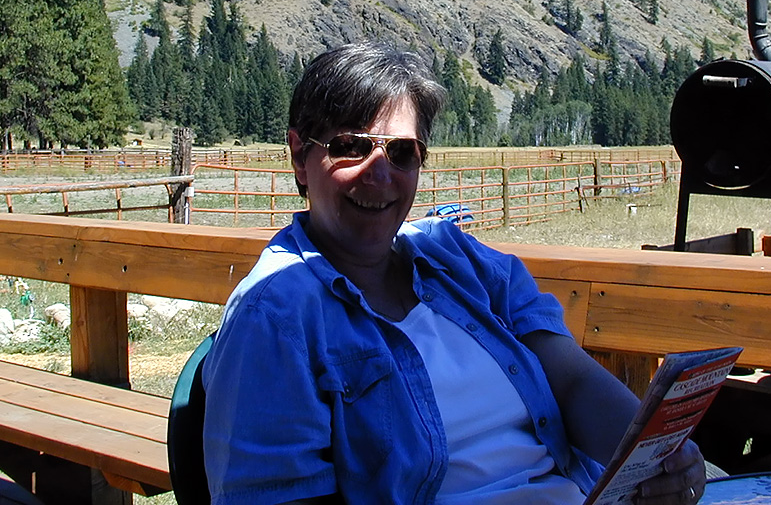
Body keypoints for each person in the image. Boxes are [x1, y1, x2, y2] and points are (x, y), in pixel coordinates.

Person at [201, 42, 706, 505]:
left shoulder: (461, 261)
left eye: (402, 152)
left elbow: (570, 380)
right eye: (351, 146)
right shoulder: (275, 316)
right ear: (298, 155)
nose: (379, 174)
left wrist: (657, 457)